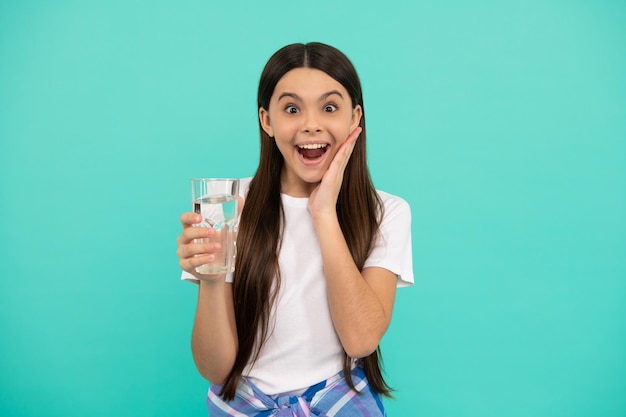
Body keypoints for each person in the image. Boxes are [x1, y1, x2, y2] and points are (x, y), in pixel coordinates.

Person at [176, 42, 413, 416]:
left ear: (355, 119)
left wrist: (323, 213)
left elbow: (361, 339)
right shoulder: (226, 207)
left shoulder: (386, 212)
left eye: (330, 107)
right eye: (291, 109)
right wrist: (210, 277)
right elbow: (214, 367)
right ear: (266, 120)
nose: (311, 124)